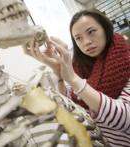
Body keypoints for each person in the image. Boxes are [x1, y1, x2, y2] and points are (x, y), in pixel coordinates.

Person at [22, 9, 130, 147]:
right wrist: (59, 71)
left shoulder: (126, 61)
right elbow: (69, 102)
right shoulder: (80, 66)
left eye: (91, 32)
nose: (86, 42)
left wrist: (73, 79)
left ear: (106, 29)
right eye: (78, 38)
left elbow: (125, 120)